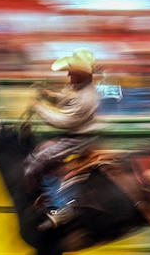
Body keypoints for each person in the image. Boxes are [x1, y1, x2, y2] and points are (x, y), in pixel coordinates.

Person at [24, 48, 100, 231]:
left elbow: (65, 120)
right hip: (75, 134)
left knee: (41, 159)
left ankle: (64, 206)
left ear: (80, 75)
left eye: (71, 72)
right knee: (41, 153)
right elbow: (66, 100)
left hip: (77, 138)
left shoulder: (87, 98)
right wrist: (49, 96)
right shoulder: (79, 89)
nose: (68, 74)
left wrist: (39, 109)